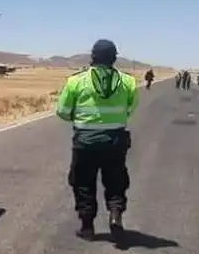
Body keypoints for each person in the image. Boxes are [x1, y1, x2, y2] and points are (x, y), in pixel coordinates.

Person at [56, 39, 139, 240]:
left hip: (86, 141)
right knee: (116, 180)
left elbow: (63, 112)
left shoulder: (76, 81)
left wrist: (80, 118)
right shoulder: (128, 82)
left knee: (83, 182)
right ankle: (115, 214)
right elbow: (130, 109)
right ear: (114, 58)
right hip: (115, 140)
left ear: (93, 57)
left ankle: (87, 227)